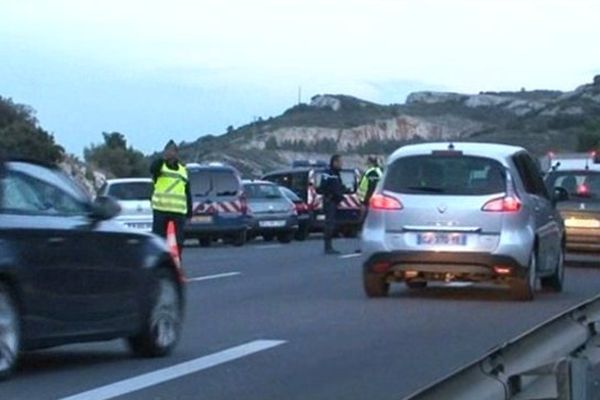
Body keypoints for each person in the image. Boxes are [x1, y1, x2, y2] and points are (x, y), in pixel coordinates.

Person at [150, 140, 193, 257]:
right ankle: (159, 262)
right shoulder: (159, 166)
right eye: (168, 150)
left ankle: (176, 263)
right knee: (159, 240)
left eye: (172, 151)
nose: (170, 153)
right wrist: (163, 159)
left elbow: (187, 192)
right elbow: (152, 169)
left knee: (178, 241)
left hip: (178, 212)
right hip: (161, 209)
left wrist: (189, 212)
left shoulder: (183, 170)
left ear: (176, 153)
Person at [320, 154, 345, 255]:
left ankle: (330, 246)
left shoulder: (336, 173)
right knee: (329, 224)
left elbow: (338, 187)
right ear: (334, 162)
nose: (341, 164)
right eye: (340, 162)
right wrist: (332, 195)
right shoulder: (328, 173)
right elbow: (324, 187)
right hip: (329, 201)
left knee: (333, 224)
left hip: (335, 202)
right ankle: (328, 247)